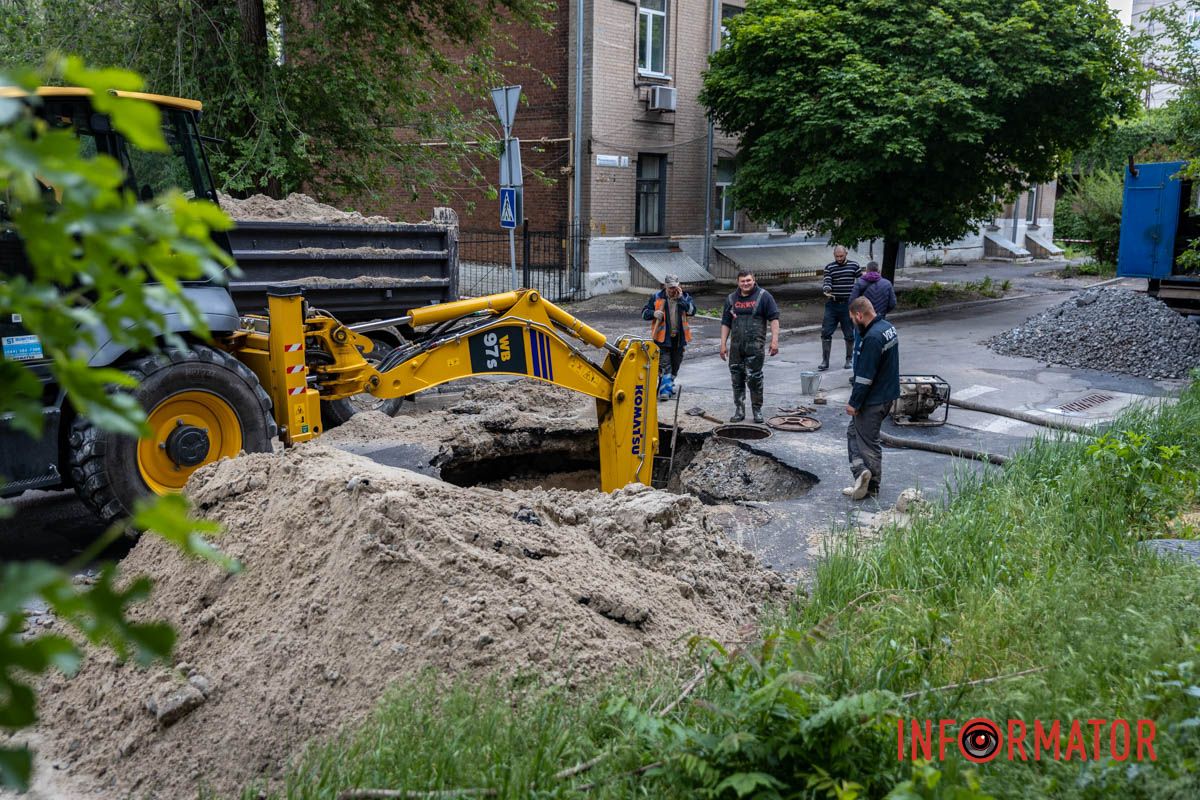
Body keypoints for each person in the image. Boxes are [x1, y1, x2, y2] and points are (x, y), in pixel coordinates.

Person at [844, 297, 900, 500]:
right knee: (853, 433)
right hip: (886, 394)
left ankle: (871, 485)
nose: (852, 323)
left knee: (868, 443)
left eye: (852, 318)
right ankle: (862, 474)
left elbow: (864, 377)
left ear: (859, 315)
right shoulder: (887, 328)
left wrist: (854, 403)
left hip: (873, 400)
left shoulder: (873, 338)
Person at [719, 269, 780, 424]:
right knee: (736, 378)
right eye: (742, 281)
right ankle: (739, 410)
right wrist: (723, 344)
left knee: (754, 378)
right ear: (738, 282)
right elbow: (726, 323)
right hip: (736, 346)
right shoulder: (731, 298)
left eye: (748, 280)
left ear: (754, 280)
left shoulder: (764, 296)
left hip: (755, 346)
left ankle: (757, 410)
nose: (745, 283)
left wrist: (774, 341)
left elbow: (774, 319)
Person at [642, 273, 697, 400]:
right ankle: (665, 391)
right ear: (665, 286)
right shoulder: (657, 297)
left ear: (679, 285)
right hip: (662, 338)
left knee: (676, 364)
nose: (673, 290)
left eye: (675, 287)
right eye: (670, 287)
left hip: (679, 339)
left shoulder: (685, 297)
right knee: (665, 365)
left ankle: (669, 384)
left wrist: (681, 299)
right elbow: (644, 313)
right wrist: (653, 313)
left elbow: (692, 311)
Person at [847, 260, 897, 372]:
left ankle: (857, 374)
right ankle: (875, 373)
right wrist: (882, 312)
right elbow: (892, 303)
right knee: (879, 348)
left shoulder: (859, 283)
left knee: (859, 349)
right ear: (879, 270)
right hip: (879, 320)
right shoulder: (887, 284)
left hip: (862, 322)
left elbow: (851, 302)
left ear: (866, 270)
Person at [819, 245, 861, 372]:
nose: (839, 259)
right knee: (826, 332)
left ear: (846, 254)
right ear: (834, 255)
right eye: (836, 256)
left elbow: (860, 282)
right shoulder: (829, 267)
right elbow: (827, 280)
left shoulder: (854, 266)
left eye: (841, 256)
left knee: (849, 334)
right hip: (833, 303)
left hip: (848, 304)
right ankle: (825, 361)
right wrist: (827, 288)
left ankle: (849, 359)